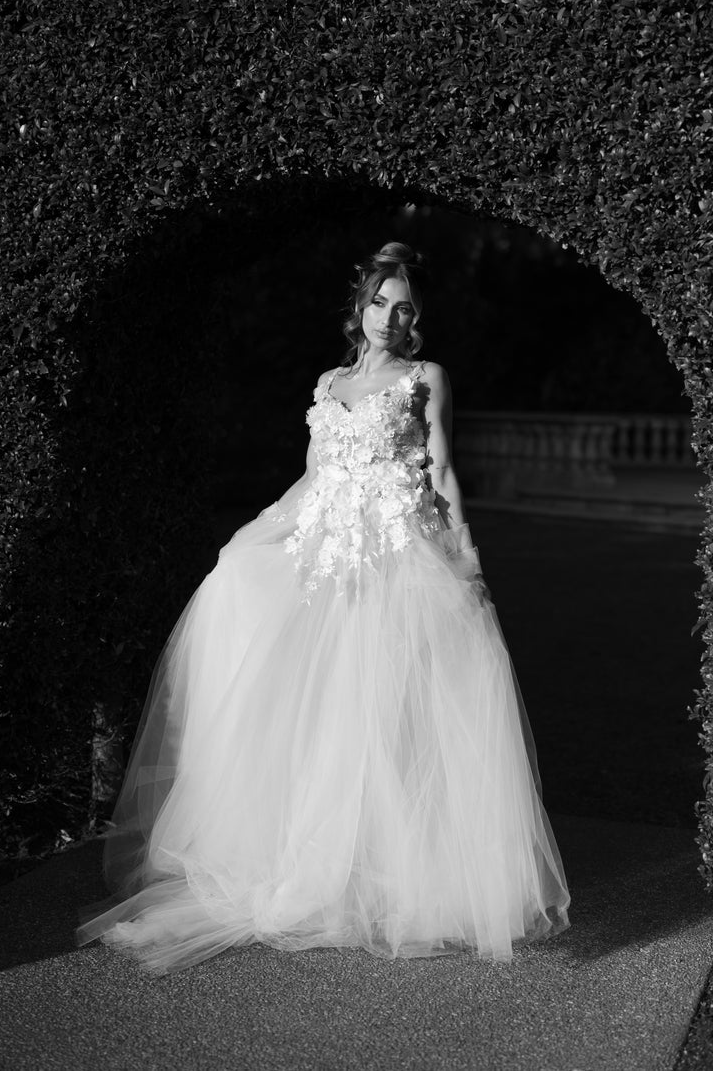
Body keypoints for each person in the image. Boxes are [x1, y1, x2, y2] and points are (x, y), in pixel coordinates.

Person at [77, 241, 570, 972]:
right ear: (360, 307)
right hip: (329, 555)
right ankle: (318, 864)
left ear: (417, 318)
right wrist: (255, 532)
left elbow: (441, 469)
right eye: (380, 303)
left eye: (405, 308)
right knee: (323, 708)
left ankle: (395, 875)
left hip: (398, 555)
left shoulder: (425, 378)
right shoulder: (328, 383)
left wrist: (466, 554)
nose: (390, 318)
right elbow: (312, 479)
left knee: (390, 709)